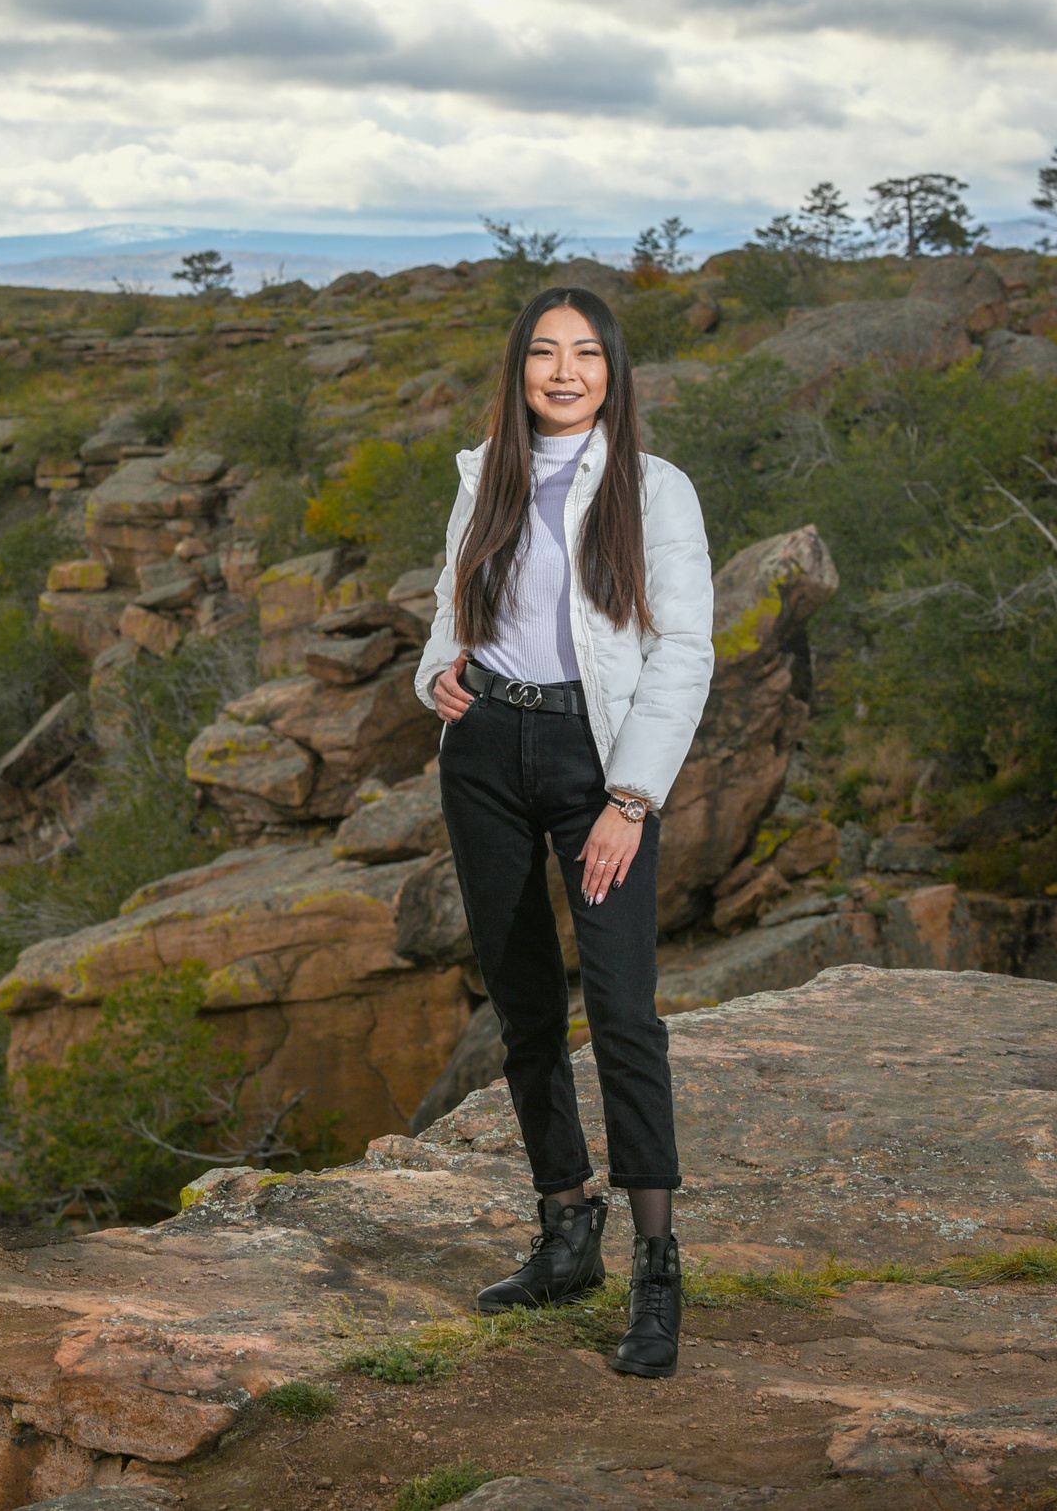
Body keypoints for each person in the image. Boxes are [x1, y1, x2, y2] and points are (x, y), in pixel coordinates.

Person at [412, 285, 714, 1378]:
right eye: (543, 351)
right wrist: (435, 672)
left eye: (584, 352)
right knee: (524, 1003)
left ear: (612, 369)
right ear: (519, 366)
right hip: (486, 748)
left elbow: (683, 650)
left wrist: (630, 798)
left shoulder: (652, 488)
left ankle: (657, 1262)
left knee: (625, 1010)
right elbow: (453, 609)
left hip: (598, 762)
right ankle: (563, 1226)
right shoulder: (482, 471)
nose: (562, 369)